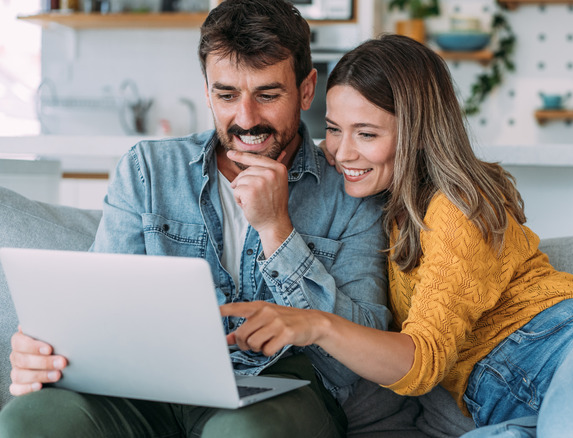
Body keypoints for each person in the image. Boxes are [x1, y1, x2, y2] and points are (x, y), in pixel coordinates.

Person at [220, 34, 573, 437]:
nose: (342, 152)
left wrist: (316, 325)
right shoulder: (376, 205)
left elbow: (421, 364)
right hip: (505, 406)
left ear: (416, 134)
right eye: (335, 130)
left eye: (366, 133)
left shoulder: (456, 209)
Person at [0, 1, 391, 436]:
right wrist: (45, 350)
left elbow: (361, 352)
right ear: (206, 90)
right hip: (150, 388)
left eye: (267, 95)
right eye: (226, 95)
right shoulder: (149, 171)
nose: (246, 119)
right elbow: (97, 312)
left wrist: (276, 230)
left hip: (282, 388)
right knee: (29, 418)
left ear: (305, 89)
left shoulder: (350, 189)